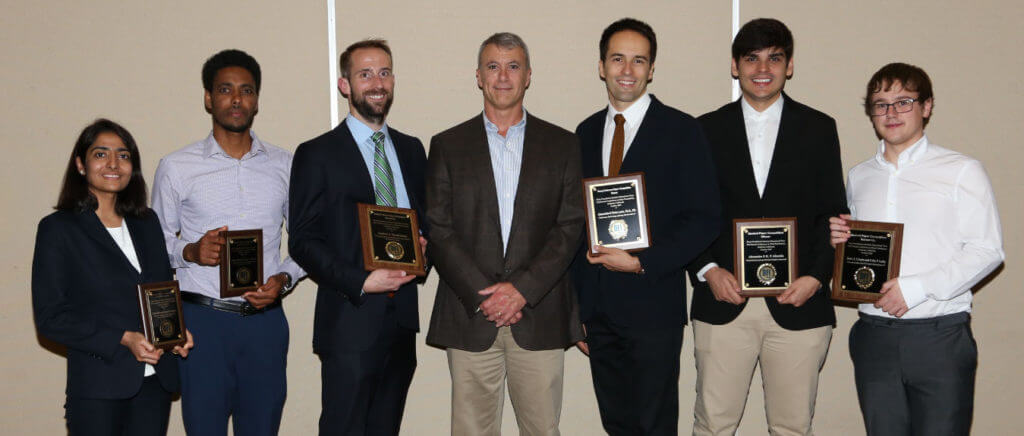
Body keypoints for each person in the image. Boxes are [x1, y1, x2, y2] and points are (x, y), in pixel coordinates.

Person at [686, 18, 848, 436]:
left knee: (792, 427)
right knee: (712, 425)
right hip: (723, 302)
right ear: (735, 66)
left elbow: (834, 215)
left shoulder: (818, 128)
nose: (763, 68)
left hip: (799, 302)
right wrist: (707, 271)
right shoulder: (703, 130)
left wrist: (815, 277)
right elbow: (686, 214)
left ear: (789, 65)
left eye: (774, 58)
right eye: (752, 58)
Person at [830, 62, 1004, 435]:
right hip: (874, 336)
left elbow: (987, 250)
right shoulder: (859, 177)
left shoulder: (961, 170)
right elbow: (861, 250)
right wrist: (839, 240)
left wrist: (916, 287)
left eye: (903, 101)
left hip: (939, 338)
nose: (891, 113)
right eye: (880, 104)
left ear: (926, 107)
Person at [425, 32, 584, 436]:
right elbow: (439, 230)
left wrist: (521, 290)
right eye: (492, 66)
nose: (502, 77)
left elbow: (570, 227)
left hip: (539, 313)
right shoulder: (446, 145)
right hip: (470, 316)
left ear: (528, 76)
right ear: (478, 76)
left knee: (542, 430)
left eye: (513, 66)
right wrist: (487, 295)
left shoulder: (563, 145)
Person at [573, 18, 720, 435]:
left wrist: (641, 262)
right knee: (616, 424)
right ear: (602, 66)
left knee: (654, 425)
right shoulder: (583, 134)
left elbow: (704, 218)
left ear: (651, 69)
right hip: (599, 311)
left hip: (653, 306)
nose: (627, 70)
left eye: (639, 60)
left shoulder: (682, 130)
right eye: (618, 58)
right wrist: (578, 310)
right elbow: (575, 226)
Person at [151, 49, 304, 436]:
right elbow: (156, 246)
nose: (237, 100)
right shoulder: (177, 166)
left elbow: (306, 243)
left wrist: (283, 281)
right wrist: (190, 251)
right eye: (225, 90)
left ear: (256, 100)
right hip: (202, 325)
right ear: (208, 98)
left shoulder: (285, 165)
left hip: (265, 324)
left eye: (246, 90)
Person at [289, 39, 427, 436]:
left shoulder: (412, 150)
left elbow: (426, 225)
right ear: (345, 85)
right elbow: (301, 239)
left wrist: (424, 249)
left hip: (401, 322)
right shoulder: (317, 153)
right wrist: (361, 280)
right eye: (365, 74)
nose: (376, 82)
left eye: (384, 72)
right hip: (349, 322)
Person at [32, 118, 194, 435]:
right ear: (80, 164)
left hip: (155, 384)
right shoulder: (58, 229)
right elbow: (51, 317)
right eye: (100, 154)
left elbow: (160, 292)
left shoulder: (147, 223)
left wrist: (176, 332)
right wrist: (123, 337)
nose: (113, 163)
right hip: (98, 386)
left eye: (123, 155)